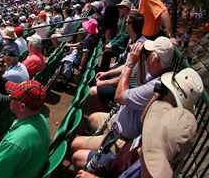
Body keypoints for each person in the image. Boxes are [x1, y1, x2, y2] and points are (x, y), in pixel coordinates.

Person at [71, 36, 175, 168]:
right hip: (117, 122)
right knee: (92, 118)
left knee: (75, 145)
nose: (146, 57)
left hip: (121, 138)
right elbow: (140, 81)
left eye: (148, 55)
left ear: (154, 59)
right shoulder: (158, 75)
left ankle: (94, 158)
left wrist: (130, 64)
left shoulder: (156, 85)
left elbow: (119, 96)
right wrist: (140, 58)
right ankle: (95, 145)